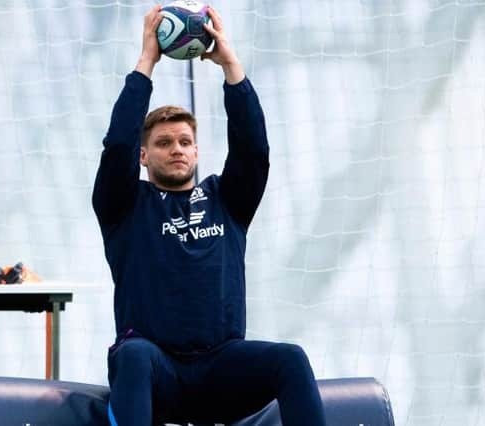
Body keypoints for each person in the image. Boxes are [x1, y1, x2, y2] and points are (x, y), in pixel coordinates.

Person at [92, 4, 326, 425]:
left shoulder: (227, 199)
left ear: (197, 151)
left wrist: (230, 64)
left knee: (290, 358)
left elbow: (254, 149)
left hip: (222, 370)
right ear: (144, 156)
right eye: (164, 143)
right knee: (134, 353)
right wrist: (147, 62)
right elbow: (116, 149)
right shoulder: (125, 205)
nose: (177, 148)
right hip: (155, 372)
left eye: (185, 141)